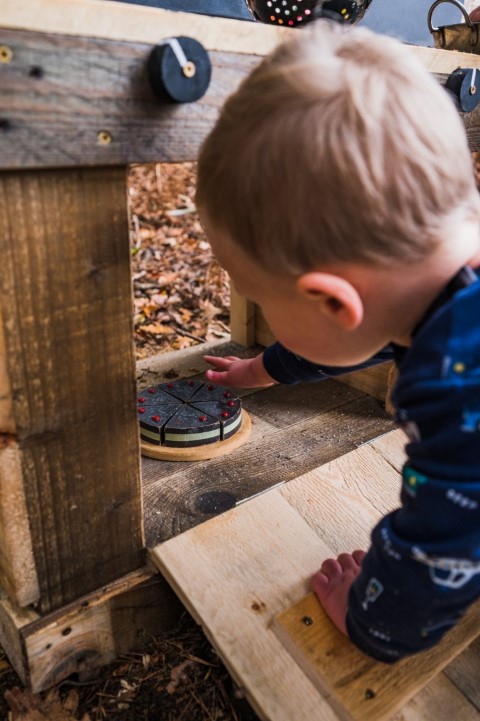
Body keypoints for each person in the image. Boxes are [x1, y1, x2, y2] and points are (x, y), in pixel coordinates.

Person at [195, 20, 480, 662]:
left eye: (265, 300)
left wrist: (370, 616)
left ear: (331, 300)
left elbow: (444, 548)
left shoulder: (459, 397)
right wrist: (263, 368)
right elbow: (380, 330)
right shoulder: (442, 290)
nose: (263, 312)